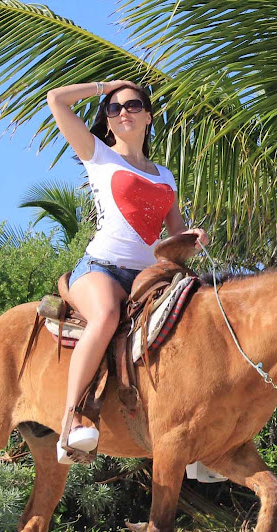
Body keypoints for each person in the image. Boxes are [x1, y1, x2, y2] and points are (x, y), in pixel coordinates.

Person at [46, 80, 208, 461]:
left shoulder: (165, 176)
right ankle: (72, 421)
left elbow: (173, 239)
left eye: (133, 105)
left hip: (147, 278)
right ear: (107, 120)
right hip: (100, 269)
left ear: (149, 116)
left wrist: (194, 237)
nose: (123, 113)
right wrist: (108, 85)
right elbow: (57, 99)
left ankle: (203, 443)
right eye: (113, 108)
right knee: (105, 317)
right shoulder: (98, 154)